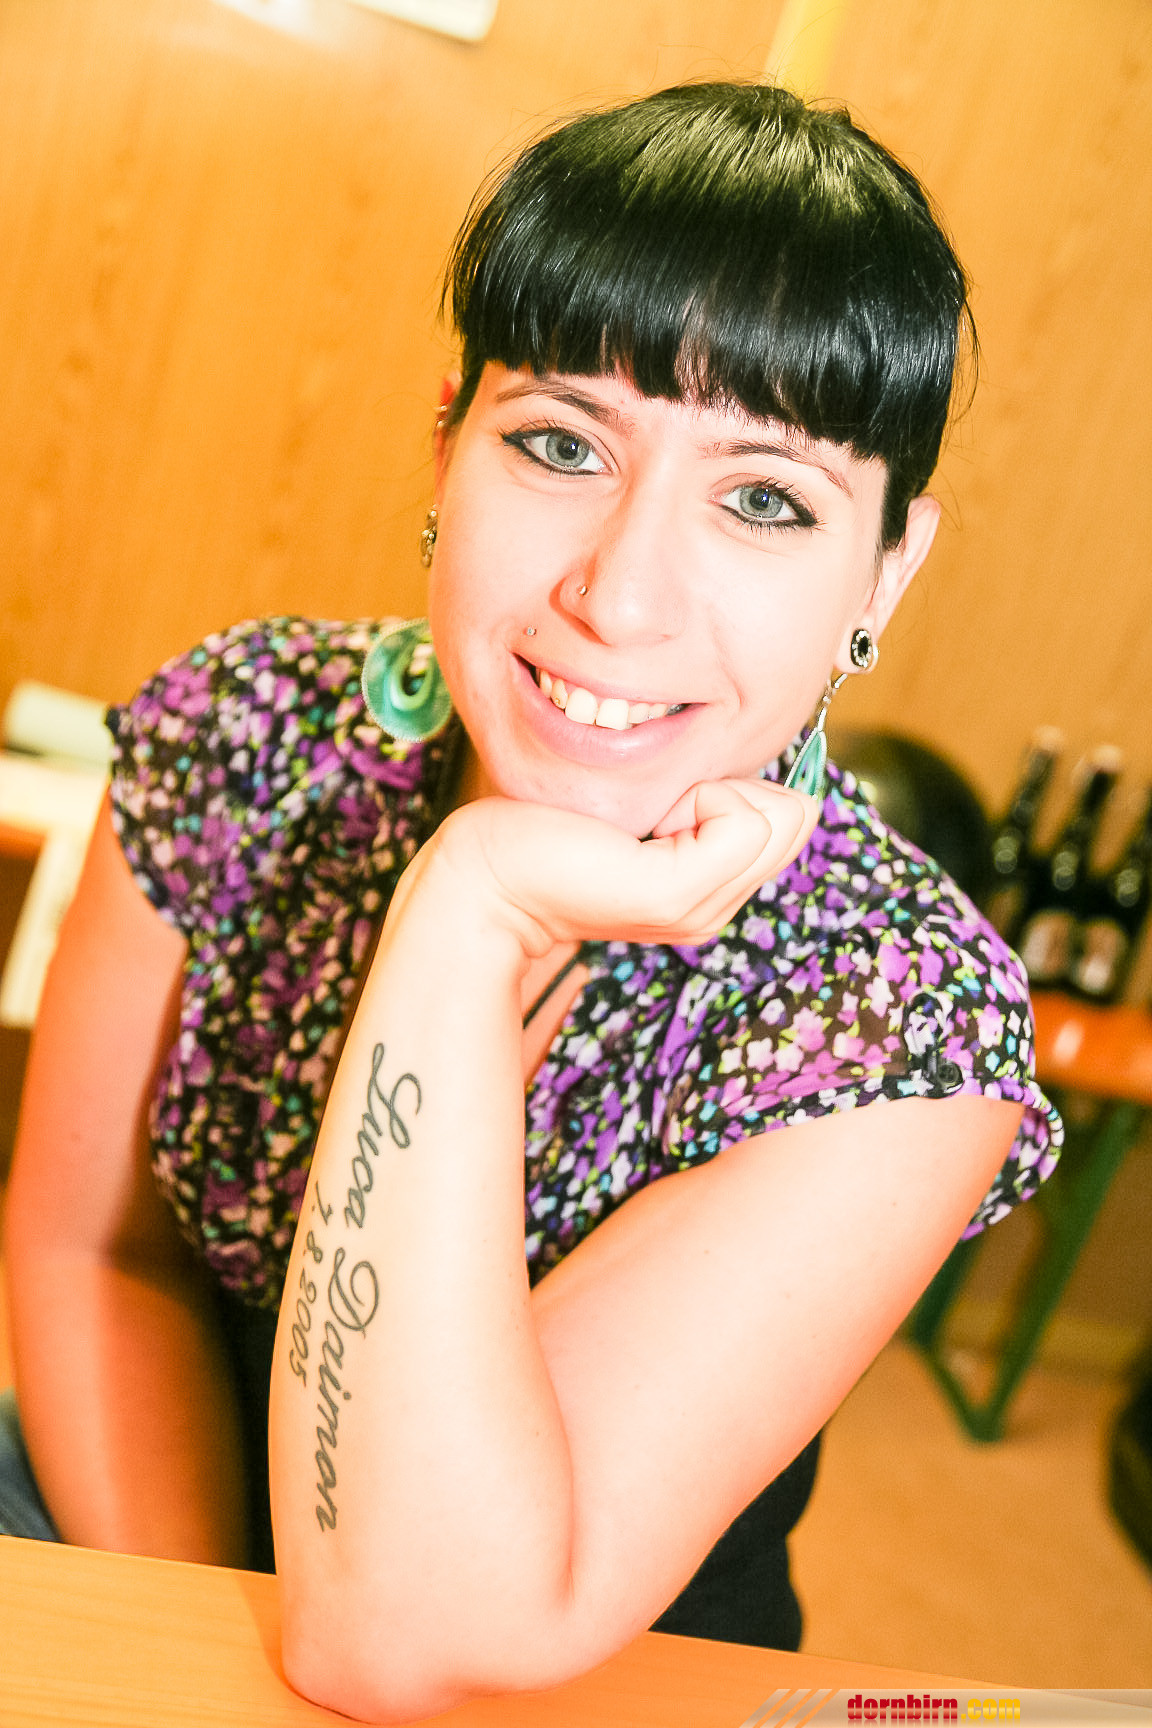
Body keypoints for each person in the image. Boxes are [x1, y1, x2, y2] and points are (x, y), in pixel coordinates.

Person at [2, 81, 1060, 1721]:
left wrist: (470, 905)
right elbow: (96, 1254)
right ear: (447, 441)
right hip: (153, 1528)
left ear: (888, 570)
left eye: (764, 499)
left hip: (576, 1668)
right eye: (562, 444)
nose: (619, 595)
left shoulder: (902, 1013)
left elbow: (410, 1634)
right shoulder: (247, 732)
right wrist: (199, 1643)